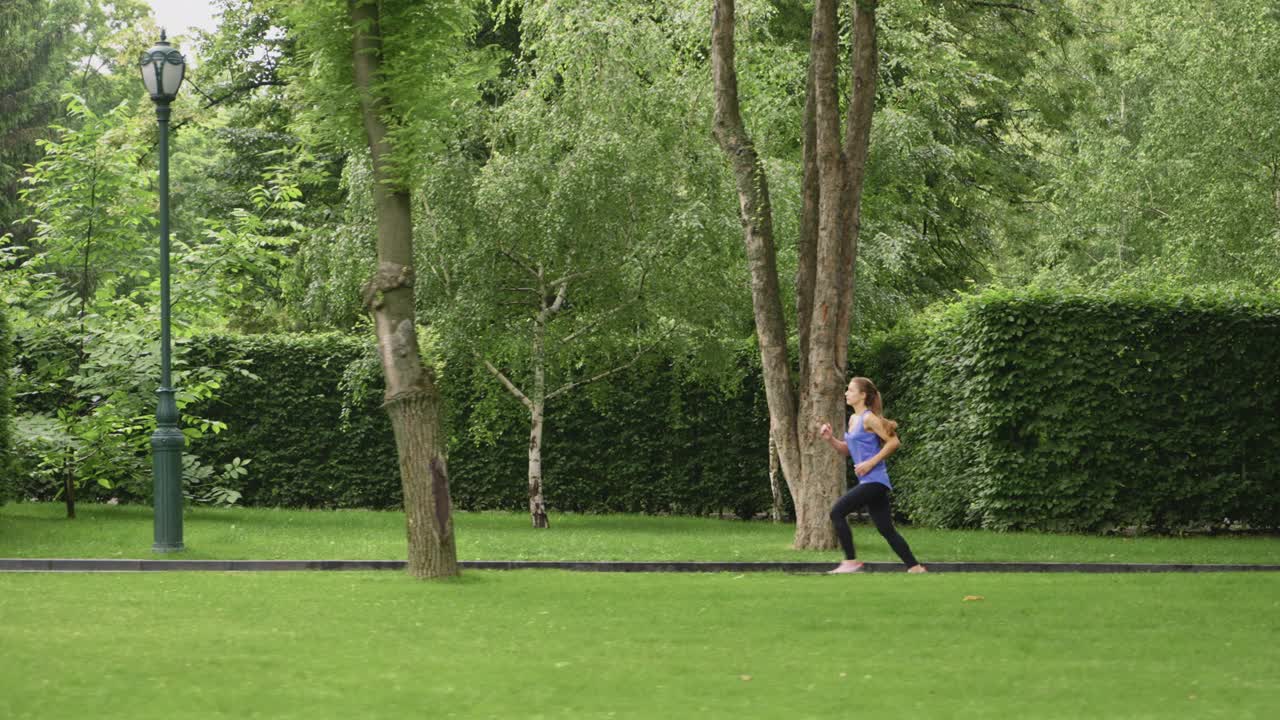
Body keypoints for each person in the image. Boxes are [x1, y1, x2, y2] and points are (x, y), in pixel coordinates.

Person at [818, 377, 926, 574]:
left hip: (875, 481)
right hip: (871, 482)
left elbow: (894, 442)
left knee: (837, 512)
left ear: (862, 395)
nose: (846, 393)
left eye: (850, 390)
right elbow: (847, 450)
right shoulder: (853, 420)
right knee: (886, 529)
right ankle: (915, 567)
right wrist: (830, 439)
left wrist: (870, 463)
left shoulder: (869, 418)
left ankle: (850, 561)